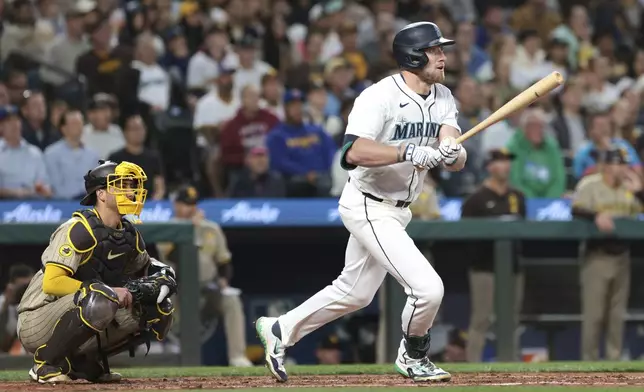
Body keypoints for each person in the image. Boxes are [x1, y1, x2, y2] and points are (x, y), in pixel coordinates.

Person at [256, 22, 466, 383]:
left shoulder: (443, 97)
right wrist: (408, 150)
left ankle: (280, 328)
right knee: (428, 289)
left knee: (354, 293)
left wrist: (451, 151)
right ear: (414, 55)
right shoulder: (378, 97)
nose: (443, 56)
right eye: (435, 50)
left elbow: (454, 147)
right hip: (368, 203)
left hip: (400, 209)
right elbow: (352, 152)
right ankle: (413, 355)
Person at [16, 160, 177, 383]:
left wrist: (164, 277)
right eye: (122, 185)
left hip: (84, 306)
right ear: (101, 193)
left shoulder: (128, 235)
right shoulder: (78, 229)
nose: (130, 191)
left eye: (131, 186)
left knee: (158, 308)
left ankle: (80, 361)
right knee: (100, 297)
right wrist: (108, 290)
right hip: (37, 318)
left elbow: (147, 268)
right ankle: (46, 362)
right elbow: (52, 283)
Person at [160, 185, 252, 367]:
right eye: (186, 204)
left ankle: (237, 356)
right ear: (176, 205)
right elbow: (173, 257)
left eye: (193, 204)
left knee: (232, 302)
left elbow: (224, 261)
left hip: (208, 289)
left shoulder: (211, 228)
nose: (191, 208)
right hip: (179, 291)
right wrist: (190, 230)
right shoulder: (168, 228)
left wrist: (224, 280)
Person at [572, 146, 644, 361]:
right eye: (619, 164)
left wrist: (639, 191)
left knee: (616, 315)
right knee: (594, 315)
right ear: (607, 165)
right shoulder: (590, 185)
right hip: (597, 255)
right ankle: (589, 361)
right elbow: (575, 209)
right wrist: (596, 215)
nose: (623, 168)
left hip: (622, 256)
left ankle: (614, 360)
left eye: (624, 164)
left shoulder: (629, 188)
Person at [460, 149, 526, 362]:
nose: (505, 166)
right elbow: (465, 236)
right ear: (489, 166)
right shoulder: (475, 199)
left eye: (507, 161)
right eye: (500, 161)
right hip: (484, 268)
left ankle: (510, 363)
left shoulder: (518, 196)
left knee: (511, 320)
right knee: (481, 319)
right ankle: (472, 365)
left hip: (512, 268)